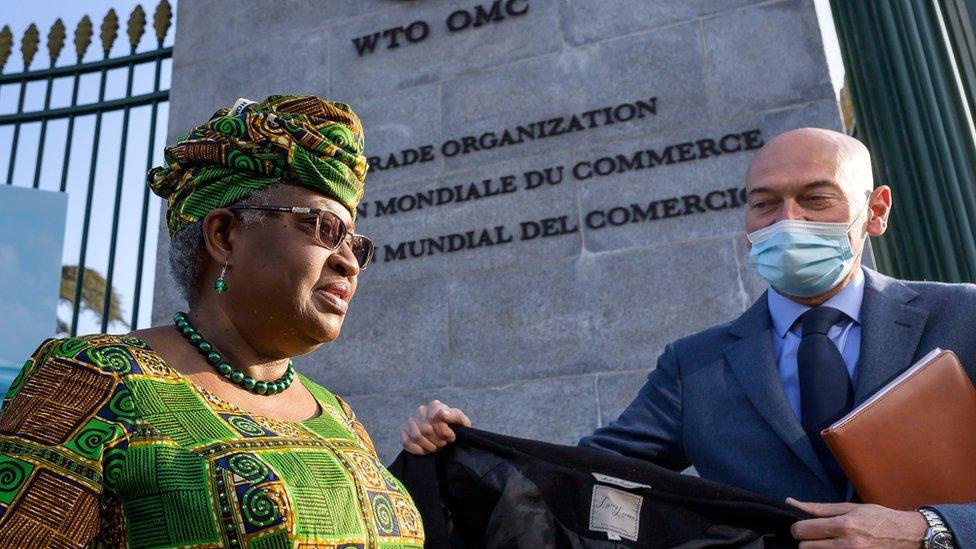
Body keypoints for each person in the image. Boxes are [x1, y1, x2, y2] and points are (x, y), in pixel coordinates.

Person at [401, 128, 976, 548]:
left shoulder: (964, 318)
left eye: (817, 198)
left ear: (875, 211)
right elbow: (583, 473)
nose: (788, 221)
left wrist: (928, 530)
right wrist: (471, 450)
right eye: (764, 204)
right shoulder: (694, 365)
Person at [0, 95, 424, 548]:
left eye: (355, 243)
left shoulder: (341, 415)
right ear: (225, 236)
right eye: (323, 228)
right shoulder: (95, 379)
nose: (349, 263)